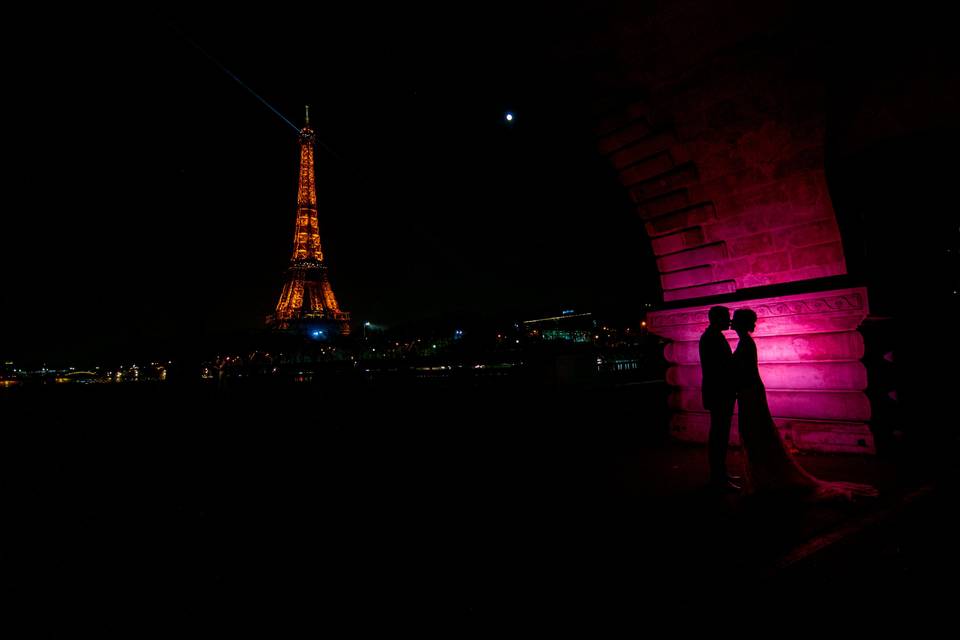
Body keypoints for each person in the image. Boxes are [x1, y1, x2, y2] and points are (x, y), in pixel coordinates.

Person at [731, 308, 879, 502]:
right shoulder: (746, 343)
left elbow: (744, 372)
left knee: (755, 432)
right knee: (758, 433)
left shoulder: (746, 344)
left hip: (749, 392)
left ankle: (765, 478)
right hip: (750, 391)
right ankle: (764, 477)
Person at [699, 306, 741, 491]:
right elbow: (720, 367)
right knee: (719, 434)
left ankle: (720, 472)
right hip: (720, 392)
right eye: (726, 317)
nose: (729, 321)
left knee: (720, 433)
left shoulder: (711, 336)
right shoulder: (711, 338)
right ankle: (718, 476)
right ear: (717, 318)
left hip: (719, 391)